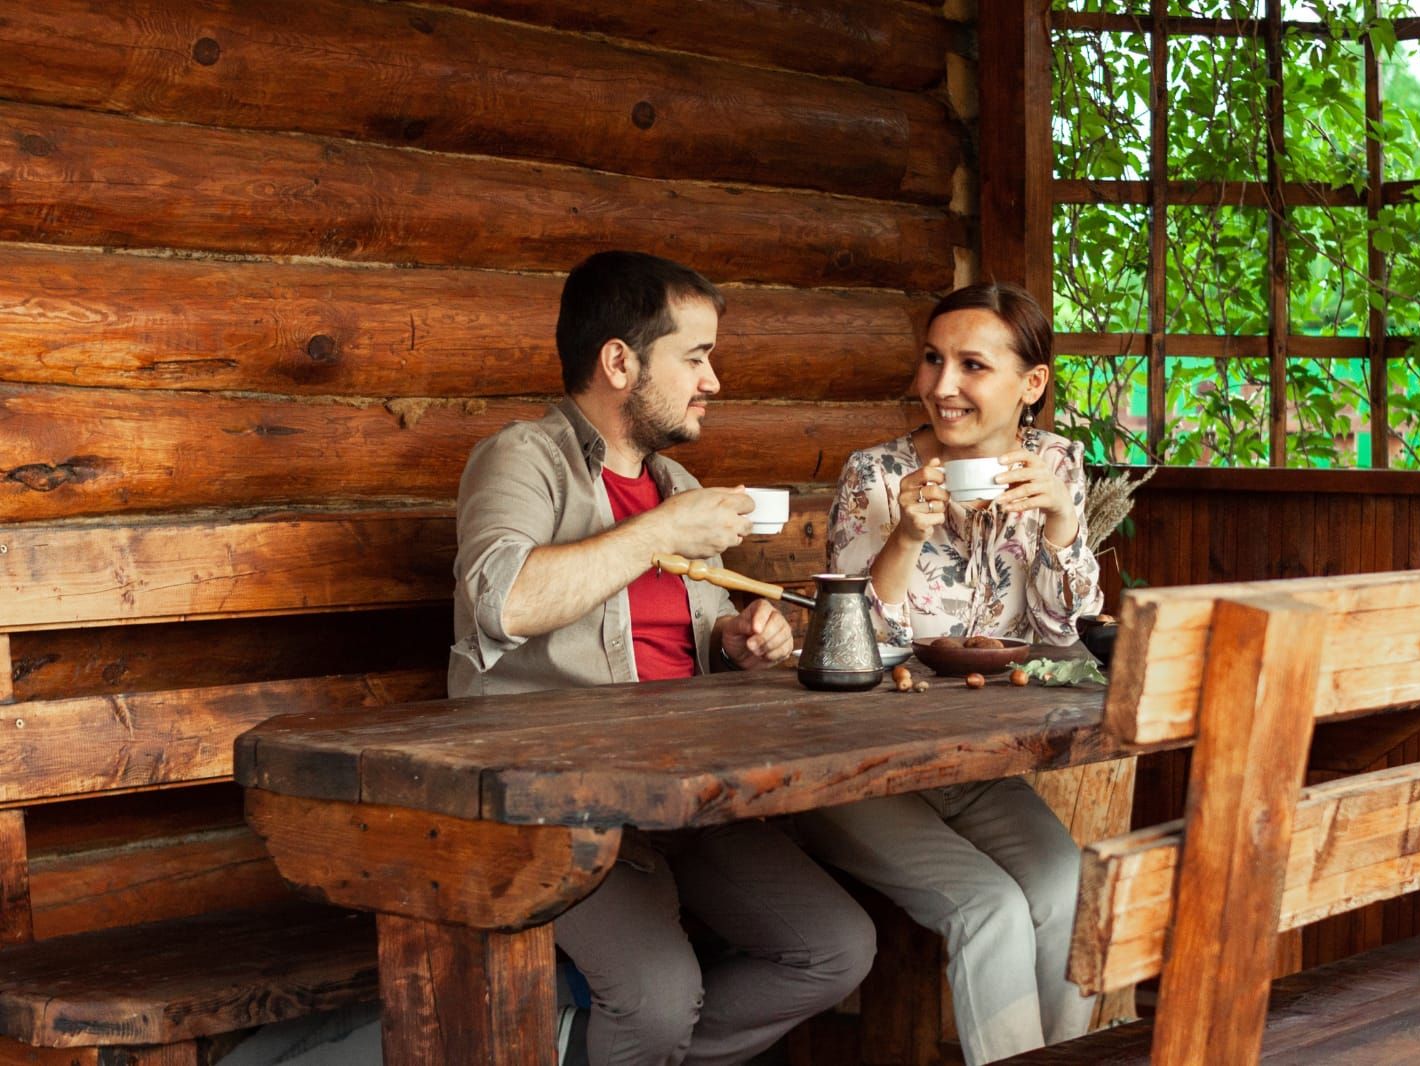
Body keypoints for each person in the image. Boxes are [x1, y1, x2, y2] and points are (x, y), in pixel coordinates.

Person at [449, 250, 875, 1065]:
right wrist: (657, 534)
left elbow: (705, 626)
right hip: (557, 804)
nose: (712, 380)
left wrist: (742, 641)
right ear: (620, 361)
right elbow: (501, 602)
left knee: (836, 948)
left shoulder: (674, 480)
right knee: (656, 997)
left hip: (682, 795)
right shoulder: (521, 458)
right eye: (697, 356)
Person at [796, 282, 1102, 1065]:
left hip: (976, 766)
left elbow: (1063, 639)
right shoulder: (876, 475)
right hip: (858, 769)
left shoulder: (1056, 465)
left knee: (1069, 884)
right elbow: (849, 653)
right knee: (991, 908)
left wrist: (1064, 524)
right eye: (933, 360)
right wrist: (902, 537)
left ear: (1031, 385)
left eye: (972, 365)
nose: (942, 386)